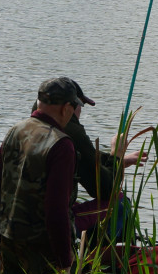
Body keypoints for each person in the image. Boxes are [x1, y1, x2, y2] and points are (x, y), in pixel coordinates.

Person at [0, 77, 81, 274]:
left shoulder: (15, 131)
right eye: (74, 108)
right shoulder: (61, 144)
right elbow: (56, 210)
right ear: (66, 107)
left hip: (9, 240)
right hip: (42, 250)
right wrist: (64, 262)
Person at [59, 81, 147, 241]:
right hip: (51, 226)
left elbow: (88, 159)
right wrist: (117, 155)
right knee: (119, 203)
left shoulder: (29, 129)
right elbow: (105, 189)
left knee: (76, 205)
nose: (80, 113)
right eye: (81, 106)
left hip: (18, 222)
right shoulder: (71, 132)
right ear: (69, 107)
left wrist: (119, 160)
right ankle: (108, 257)